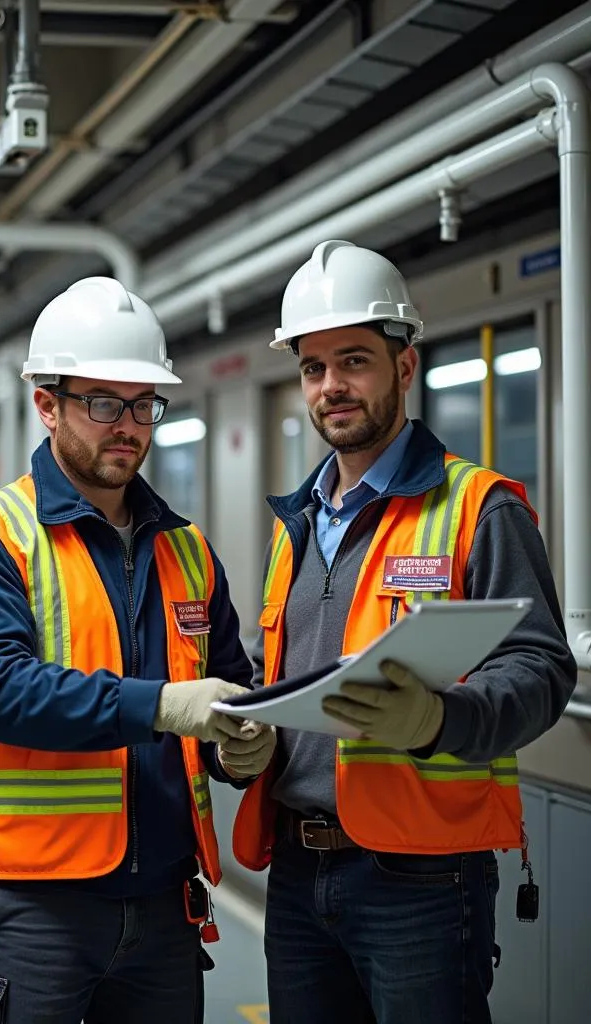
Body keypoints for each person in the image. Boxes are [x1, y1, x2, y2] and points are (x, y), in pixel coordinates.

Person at [232, 240, 577, 1024]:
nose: (331, 387)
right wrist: (241, 738)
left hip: (421, 880)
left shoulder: (480, 509)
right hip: (296, 866)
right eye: (313, 368)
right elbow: (275, 669)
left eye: (353, 360)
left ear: (406, 366)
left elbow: (542, 669)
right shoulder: (295, 526)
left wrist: (439, 721)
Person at [0, 276, 275, 1024]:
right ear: (47, 404)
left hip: (164, 901)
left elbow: (228, 688)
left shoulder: (187, 549)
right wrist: (159, 705)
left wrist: (239, 747)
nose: (128, 425)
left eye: (144, 404)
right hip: (34, 903)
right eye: (102, 403)